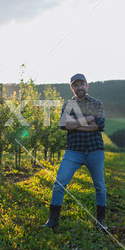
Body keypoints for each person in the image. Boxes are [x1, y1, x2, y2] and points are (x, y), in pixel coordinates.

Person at [42, 73, 108, 231]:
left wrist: (75, 123)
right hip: (74, 150)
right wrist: (86, 120)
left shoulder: (97, 103)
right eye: (75, 85)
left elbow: (98, 126)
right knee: (59, 183)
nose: (79, 87)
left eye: (82, 84)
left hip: (94, 150)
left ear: (87, 85)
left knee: (100, 186)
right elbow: (64, 125)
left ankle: (101, 221)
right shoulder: (68, 105)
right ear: (72, 88)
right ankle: (53, 221)